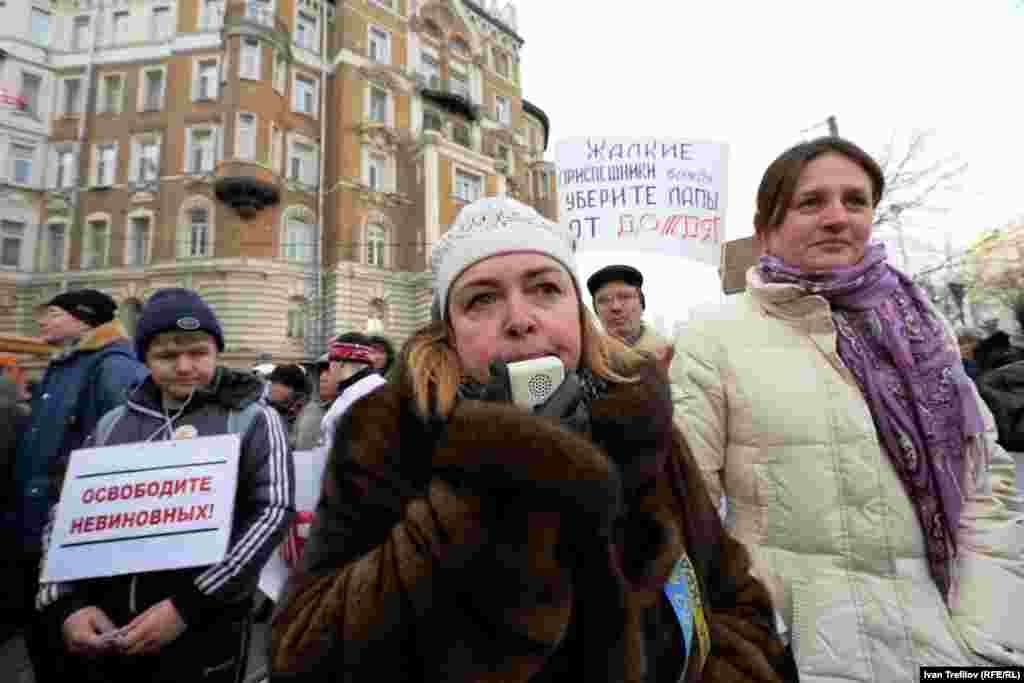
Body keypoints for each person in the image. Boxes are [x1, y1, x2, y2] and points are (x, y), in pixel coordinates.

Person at [269, 196, 796, 682]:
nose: (520, 319)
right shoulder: (388, 434)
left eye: (545, 288)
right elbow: (304, 654)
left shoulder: (640, 419)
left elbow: (731, 596)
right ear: (448, 329)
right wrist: (492, 487)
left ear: (577, 311)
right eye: (481, 299)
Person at [671, 136, 1024, 681]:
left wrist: (988, 635)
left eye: (855, 201)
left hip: (949, 647)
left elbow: (986, 487)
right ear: (767, 227)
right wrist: (750, 644)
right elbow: (688, 510)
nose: (837, 217)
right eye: (811, 202)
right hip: (798, 657)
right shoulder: (714, 334)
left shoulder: (924, 329)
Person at [36, 287, 295, 683]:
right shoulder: (114, 422)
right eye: (167, 355)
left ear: (216, 352)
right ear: (145, 359)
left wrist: (188, 606)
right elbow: (66, 509)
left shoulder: (253, 418)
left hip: (204, 627)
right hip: (108, 624)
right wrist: (66, 602)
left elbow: (272, 511)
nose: (185, 366)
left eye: (198, 352)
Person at [11, 289, 149, 682]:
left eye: (52, 314)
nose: (42, 321)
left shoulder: (112, 367)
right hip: (36, 525)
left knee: (66, 650)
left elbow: (122, 454)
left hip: (73, 530)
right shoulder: (66, 363)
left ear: (85, 320)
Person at [587, 264, 671, 358]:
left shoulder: (672, 356)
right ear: (596, 311)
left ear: (641, 304)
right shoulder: (586, 358)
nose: (615, 307)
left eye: (625, 297)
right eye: (604, 300)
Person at [317, 339, 386, 454]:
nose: (329, 370)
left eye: (330, 363)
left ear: (341, 363)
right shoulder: (382, 387)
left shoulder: (360, 396)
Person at [266, 364, 310, 447]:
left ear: (289, 387)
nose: (271, 388)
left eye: (274, 383)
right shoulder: (278, 408)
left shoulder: (304, 412)